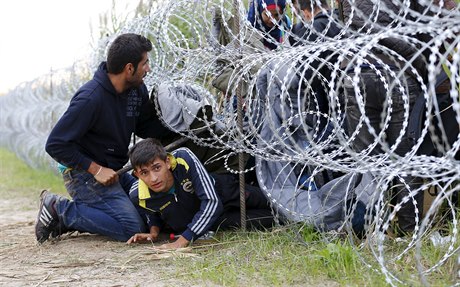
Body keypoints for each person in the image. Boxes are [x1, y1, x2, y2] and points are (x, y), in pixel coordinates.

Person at [35, 33, 174, 243]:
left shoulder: (136, 91)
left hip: (115, 172)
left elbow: (145, 126)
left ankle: (87, 212)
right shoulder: (91, 98)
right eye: (145, 63)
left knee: (151, 214)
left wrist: (182, 127)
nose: (148, 69)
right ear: (129, 68)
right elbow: (55, 144)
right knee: (131, 228)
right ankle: (60, 210)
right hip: (83, 174)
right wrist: (96, 170)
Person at [340, 0, 427, 235]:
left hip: (359, 72)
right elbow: (425, 24)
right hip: (399, 73)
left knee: (368, 162)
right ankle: (409, 232)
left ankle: (372, 229)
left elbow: (353, 23)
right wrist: (421, 66)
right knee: (405, 161)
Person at [126, 138, 277, 249]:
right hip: (216, 221)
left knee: (277, 202)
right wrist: (153, 233)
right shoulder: (137, 195)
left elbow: (212, 201)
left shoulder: (183, 158)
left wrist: (182, 240)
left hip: (227, 194)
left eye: (157, 168)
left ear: (167, 161)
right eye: (144, 172)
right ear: (136, 175)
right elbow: (153, 212)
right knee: (276, 218)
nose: (153, 178)